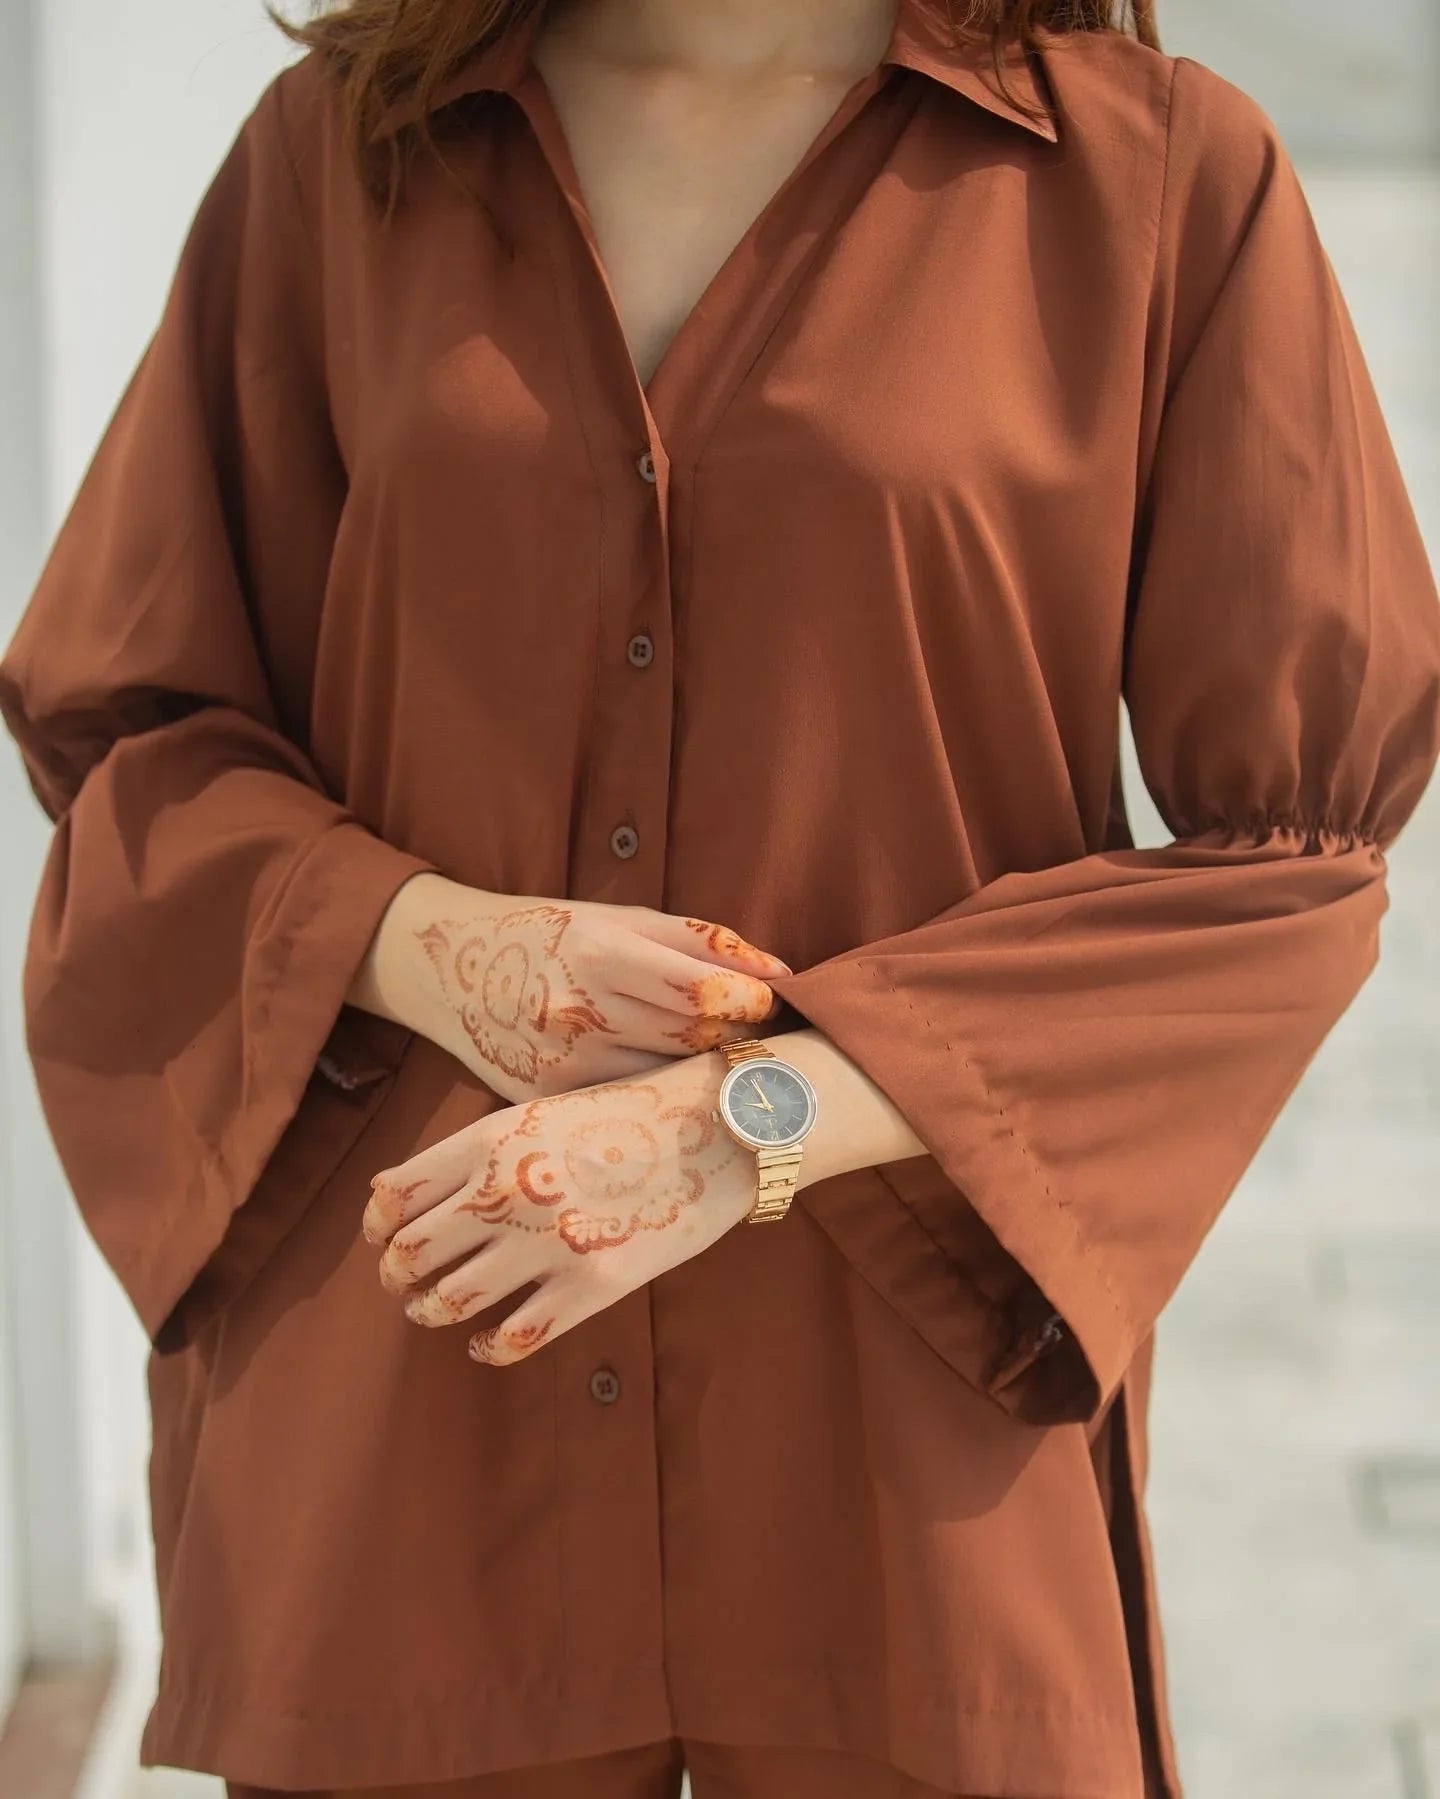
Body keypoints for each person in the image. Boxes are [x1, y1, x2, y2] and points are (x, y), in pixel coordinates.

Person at [2, 0, 1438, 1794]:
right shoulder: (345, 156)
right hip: (417, 1402)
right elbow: (134, 731)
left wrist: (747, 1119)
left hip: (903, 1440)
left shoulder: (1152, 183)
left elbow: (1290, 862)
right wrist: (426, 940)